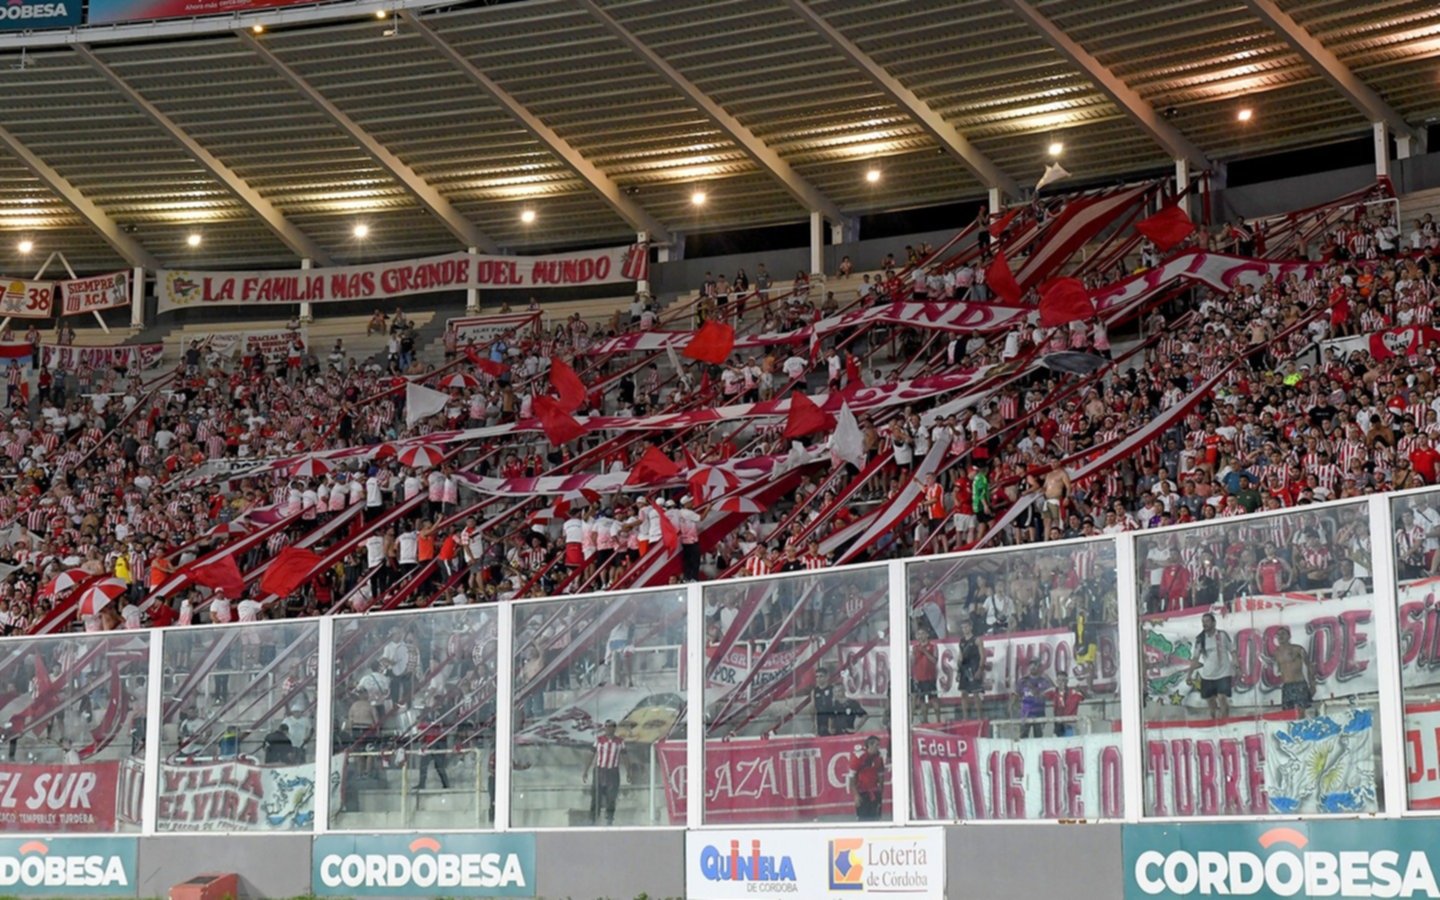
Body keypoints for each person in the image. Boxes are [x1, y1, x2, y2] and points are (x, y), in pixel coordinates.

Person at [1188, 613, 1235, 720]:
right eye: (1203, 622)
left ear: (1214, 623)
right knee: (1210, 701)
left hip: (1223, 672)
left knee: (1222, 698)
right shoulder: (1200, 639)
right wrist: (1189, 675)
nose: (1205, 624)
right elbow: (1195, 658)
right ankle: (1213, 719)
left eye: (1207, 621)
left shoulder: (1222, 635)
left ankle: (1224, 721)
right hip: (1208, 674)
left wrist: (1236, 665)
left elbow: (1232, 650)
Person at [583, 720, 627, 825]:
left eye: (611, 727)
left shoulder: (619, 741)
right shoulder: (599, 740)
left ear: (614, 728)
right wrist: (586, 770)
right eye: (607, 727)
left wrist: (629, 771)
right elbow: (591, 754)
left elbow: (625, 756)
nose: (608, 729)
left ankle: (610, 818)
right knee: (596, 795)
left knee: (611, 796)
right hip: (600, 770)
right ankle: (593, 818)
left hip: (613, 771)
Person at [1268, 626, 1315, 712]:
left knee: (1302, 712)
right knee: (1287, 713)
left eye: (1283, 634)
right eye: (1278, 635)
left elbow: (1309, 666)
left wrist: (1312, 685)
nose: (1280, 636)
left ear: (1289, 636)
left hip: (1299, 685)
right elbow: (1278, 670)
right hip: (1286, 686)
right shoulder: (1276, 653)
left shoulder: (1297, 649)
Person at [812, 666, 868, 736]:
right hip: (824, 727)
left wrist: (856, 728)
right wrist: (816, 727)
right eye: (817, 677)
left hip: (845, 731)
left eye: (821, 676)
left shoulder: (850, 703)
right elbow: (815, 710)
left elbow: (864, 715)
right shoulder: (815, 692)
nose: (818, 679)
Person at [849, 736, 886, 821]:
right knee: (863, 819)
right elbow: (852, 777)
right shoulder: (859, 757)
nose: (878, 748)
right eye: (877, 745)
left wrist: (880, 791)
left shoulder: (879, 758)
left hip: (874, 792)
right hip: (862, 793)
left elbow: (881, 775)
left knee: (876, 818)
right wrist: (856, 795)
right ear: (870, 745)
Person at [1014, 660, 1053, 738]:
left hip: (1039, 714)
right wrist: (1017, 708)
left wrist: (1049, 678)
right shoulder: (1023, 681)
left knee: (1038, 738)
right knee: (1023, 738)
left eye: (1035, 665)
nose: (1033, 667)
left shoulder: (1044, 681)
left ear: (1039, 667)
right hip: (1026, 714)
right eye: (1031, 665)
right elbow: (1016, 695)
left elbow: (1054, 691)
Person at [911, 621, 940, 724]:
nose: (920, 636)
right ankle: (925, 720)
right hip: (920, 677)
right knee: (922, 700)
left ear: (927, 635)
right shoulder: (915, 648)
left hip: (930, 677)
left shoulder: (933, 646)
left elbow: (934, 660)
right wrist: (913, 655)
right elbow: (912, 663)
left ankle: (938, 720)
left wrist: (925, 651)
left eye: (922, 633)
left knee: (934, 699)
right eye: (918, 634)